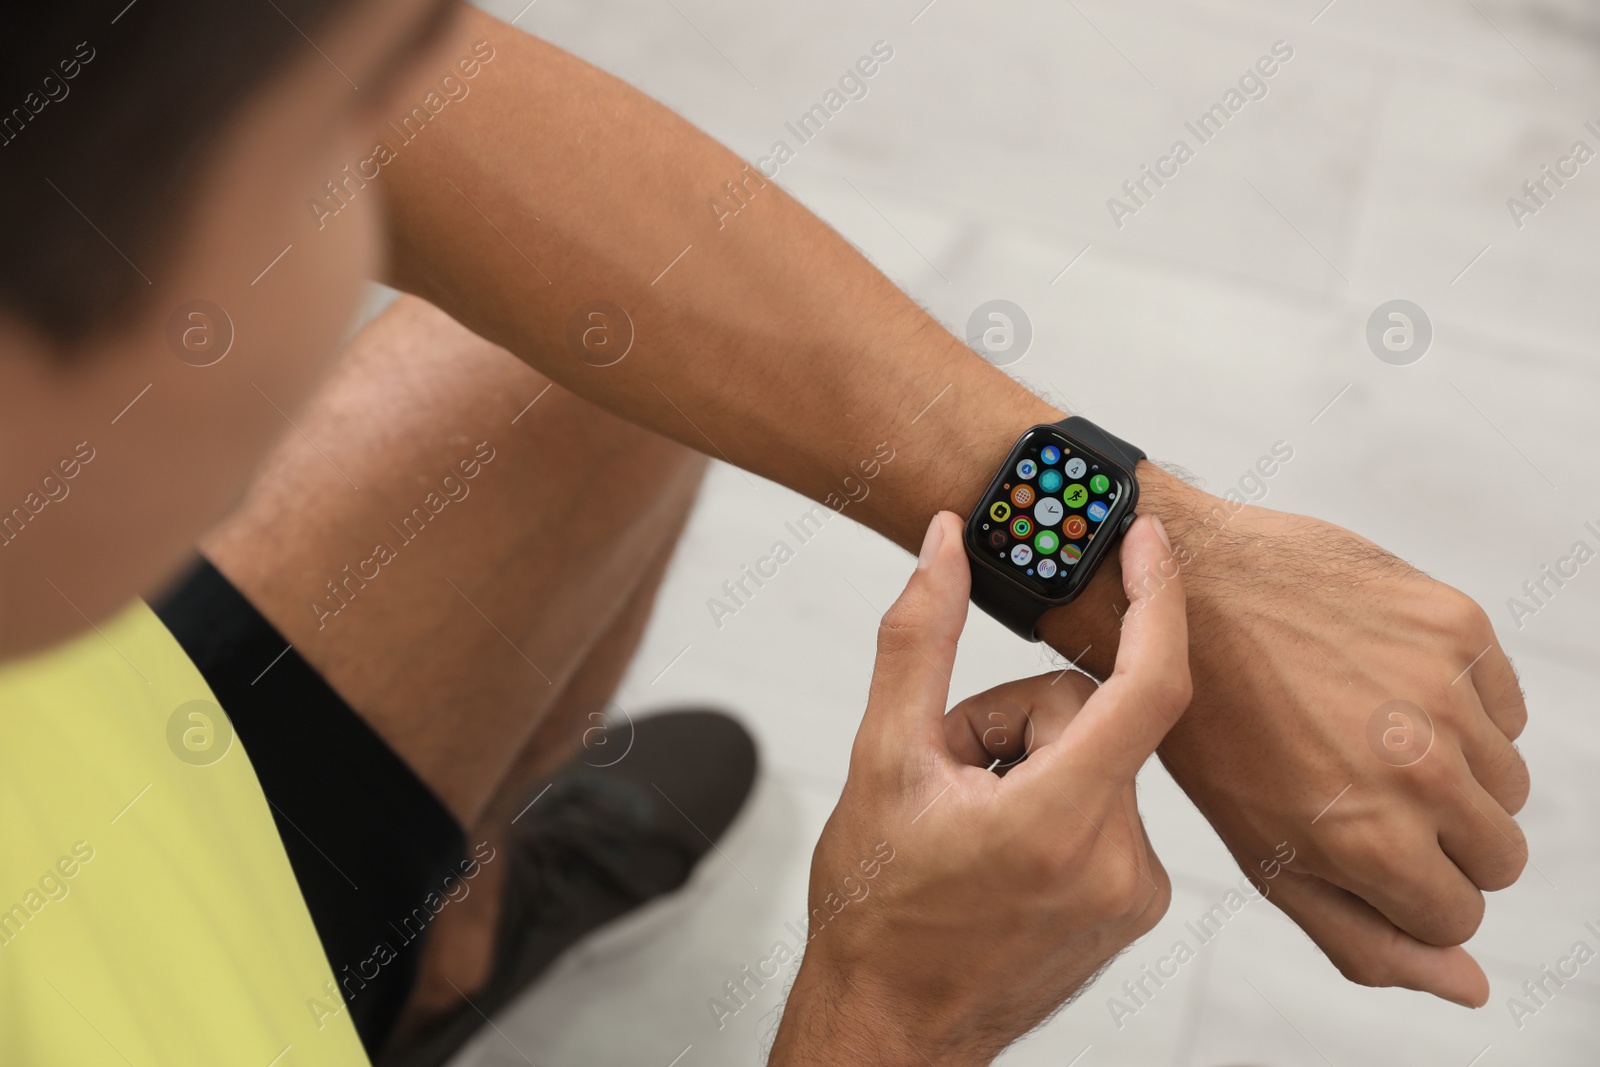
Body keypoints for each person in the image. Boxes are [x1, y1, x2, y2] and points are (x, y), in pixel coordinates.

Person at [0, 0, 1529, 1063]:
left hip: (119, 803)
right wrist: (896, 1012)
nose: (358, 230)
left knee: (589, 348)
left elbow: (418, 103)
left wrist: (1151, 558)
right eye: (306, 170)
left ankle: (429, 960)